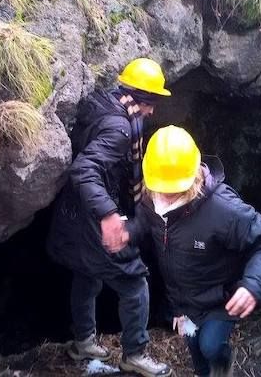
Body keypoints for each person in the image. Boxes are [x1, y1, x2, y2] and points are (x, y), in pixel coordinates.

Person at [115, 126, 261, 377]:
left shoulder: (222, 208)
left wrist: (257, 285)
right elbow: (146, 223)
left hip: (221, 296)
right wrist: (127, 231)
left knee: (210, 346)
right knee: (195, 347)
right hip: (182, 298)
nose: (165, 194)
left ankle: (223, 364)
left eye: (172, 187)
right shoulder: (151, 198)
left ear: (192, 175)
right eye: (161, 185)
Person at [47, 58, 172, 377]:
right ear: (139, 98)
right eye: (151, 103)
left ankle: (84, 341)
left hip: (73, 212)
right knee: (135, 282)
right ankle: (135, 353)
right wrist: (108, 215)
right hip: (93, 218)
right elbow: (85, 169)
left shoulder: (104, 103)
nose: (152, 112)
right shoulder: (119, 128)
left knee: (87, 274)